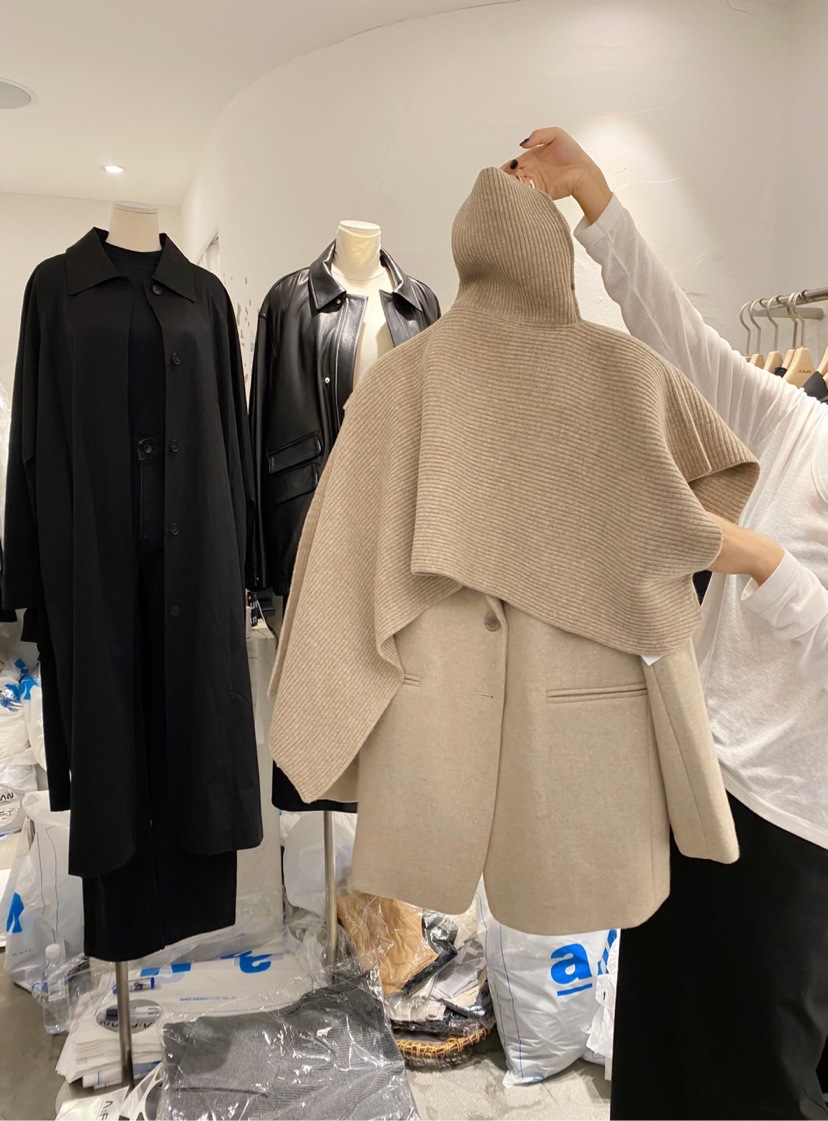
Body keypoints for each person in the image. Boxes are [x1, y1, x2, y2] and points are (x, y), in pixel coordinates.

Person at [503, 129, 828, 1120]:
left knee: (759, 1074)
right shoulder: (802, 425)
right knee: (661, 1051)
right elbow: (682, 342)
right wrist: (595, 200)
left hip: (790, 822)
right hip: (692, 779)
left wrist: (759, 559)